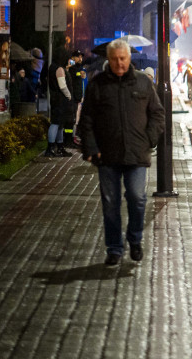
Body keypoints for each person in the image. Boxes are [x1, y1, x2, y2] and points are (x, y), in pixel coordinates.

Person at [78, 39, 165, 266]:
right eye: (115, 59)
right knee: (110, 203)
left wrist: (149, 139)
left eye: (123, 58)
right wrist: (91, 148)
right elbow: (86, 119)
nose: (119, 63)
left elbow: (157, 114)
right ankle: (114, 248)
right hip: (107, 154)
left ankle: (134, 239)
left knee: (137, 198)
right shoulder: (98, 84)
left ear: (129, 58)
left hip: (136, 153)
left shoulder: (143, 83)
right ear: (108, 59)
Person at [45, 48, 75, 157]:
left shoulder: (52, 67)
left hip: (55, 99)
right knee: (56, 123)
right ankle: (51, 148)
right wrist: (69, 95)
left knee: (59, 123)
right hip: (60, 100)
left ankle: (59, 146)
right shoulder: (59, 69)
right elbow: (62, 86)